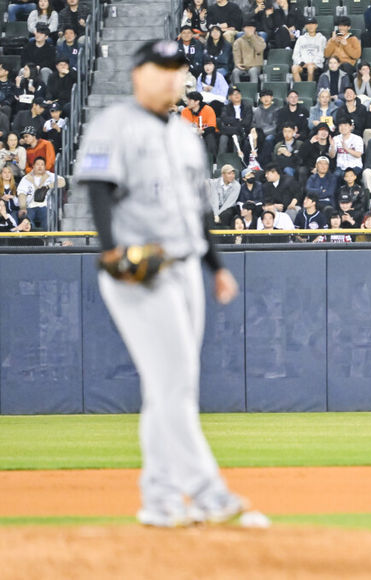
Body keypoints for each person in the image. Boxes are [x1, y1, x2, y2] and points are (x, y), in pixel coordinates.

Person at [73, 40, 260, 527]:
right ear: (139, 75)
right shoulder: (114, 124)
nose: (172, 78)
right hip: (140, 270)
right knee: (175, 385)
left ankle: (158, 501)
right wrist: (110, 250)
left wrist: (216, 267)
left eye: (178, 70)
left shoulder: (184, 134)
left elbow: (200, 212)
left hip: (187, 267)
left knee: (167, 389)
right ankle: (205, 491)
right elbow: (97, 186)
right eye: (161, 69)